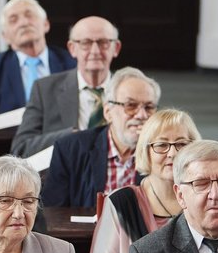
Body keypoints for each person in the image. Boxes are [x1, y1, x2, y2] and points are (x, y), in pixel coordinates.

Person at [90, 109, 201, 253]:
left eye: (181, 144)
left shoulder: (205, 198)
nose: (172, 153)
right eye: (161, 145)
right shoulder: (121, 203)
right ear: (146, 151)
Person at [42, 67, 160, 209]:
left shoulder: (164, 153)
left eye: (149, 107)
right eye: (131, 105)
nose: (141, 115)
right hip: (84, 231)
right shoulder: (69, 149)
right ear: (108, 112)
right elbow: (52, 215)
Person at [11, 15, 121, 157]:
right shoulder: (44, 89)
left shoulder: (130, 91)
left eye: (103, 42)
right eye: (86, 43)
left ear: (116, 48)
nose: (95, 51)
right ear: (72, 48)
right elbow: (21, 148)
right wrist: (69, 137)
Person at [0, 0, 76, 117]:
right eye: (13, 20)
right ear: (5, 36)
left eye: (29, 15)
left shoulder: (71, 61)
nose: (24, 23)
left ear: (46, 24)